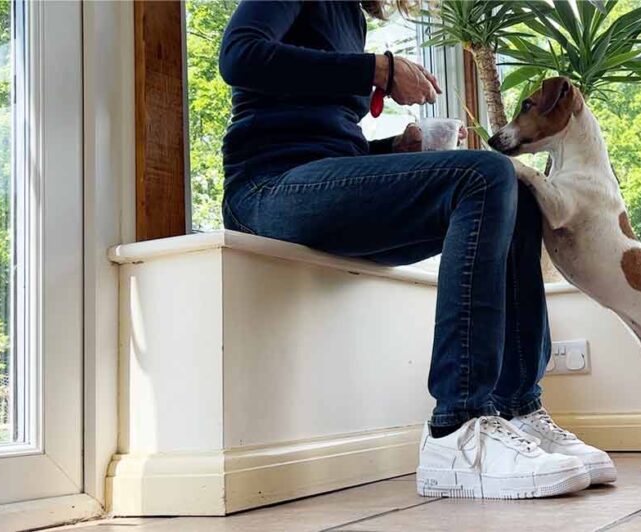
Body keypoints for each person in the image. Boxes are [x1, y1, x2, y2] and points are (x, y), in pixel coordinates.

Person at [218, 0, 615, 499]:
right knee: (485, 173)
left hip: (317, 180)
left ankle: (518, 409)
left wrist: (392, 150)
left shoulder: (350, 16)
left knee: (515, 186)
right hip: (266, 187)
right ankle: (458, 428)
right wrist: (379, 69)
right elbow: (238, 56)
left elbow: (321, 136)